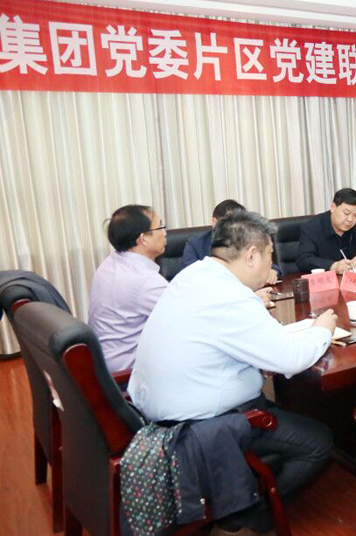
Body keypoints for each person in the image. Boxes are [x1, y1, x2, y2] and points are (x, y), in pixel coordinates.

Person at [129, 211, 336, 535]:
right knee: (319, 442)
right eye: (270, 255)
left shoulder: (193, 275)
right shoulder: (231, 298)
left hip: (157, 411)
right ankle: (252, 515)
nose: (272, 265)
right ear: (251, 255)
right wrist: (323, 328)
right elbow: (291, 358)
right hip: (199, 427)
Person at [88, 205, 168, 373]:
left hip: (104, 361)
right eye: (160, 226)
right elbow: (188, 318)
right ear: (143, 239)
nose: (165, 232)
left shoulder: (111, 262)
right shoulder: (145, 281)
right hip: (126, 374)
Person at [181, 199, 279, 285]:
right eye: (230, 222)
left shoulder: (246, 238)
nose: (235, 228)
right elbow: (190, 278)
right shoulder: (195, 244)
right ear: (214, 223)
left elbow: (264, 261)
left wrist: (272, 270)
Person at [296, 188, 356, 273]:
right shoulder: (312, 227)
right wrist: (333, 266)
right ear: (333, 207)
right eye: (346, 213)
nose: (350, 219)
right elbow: (303, 260)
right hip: (327, 281)